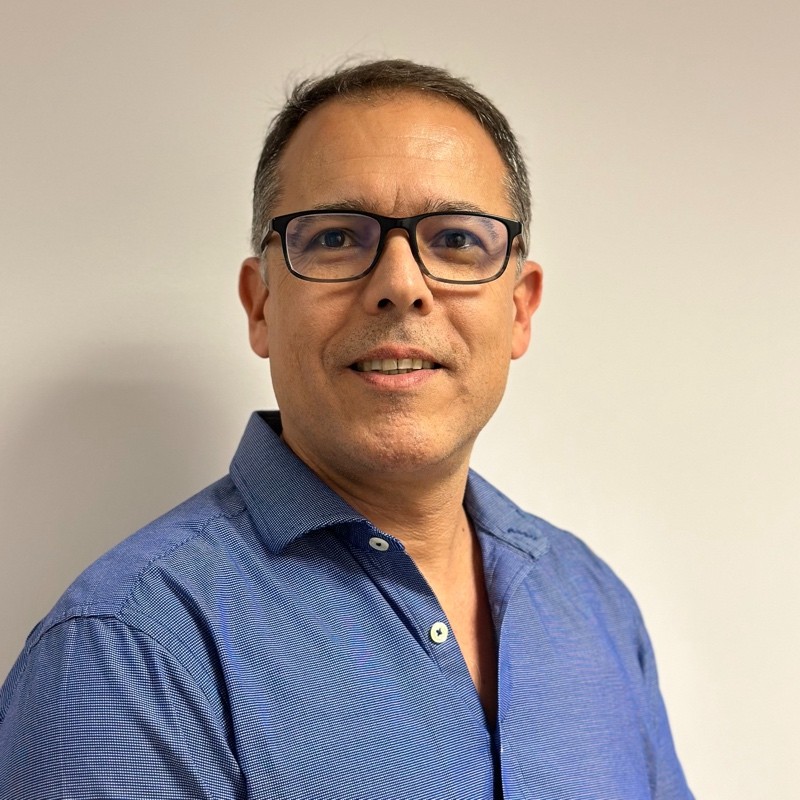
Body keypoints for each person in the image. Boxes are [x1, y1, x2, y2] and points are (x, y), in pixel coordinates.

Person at [0, 59, 693, 799]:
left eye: (457, 240)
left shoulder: (593, 603)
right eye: (336, 238)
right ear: (262, 305)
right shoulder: (123, 655)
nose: (401, 285)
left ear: (519, 309)